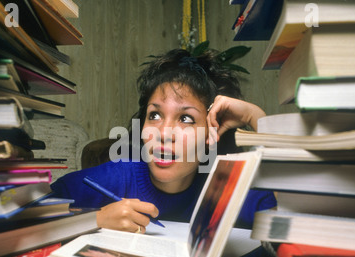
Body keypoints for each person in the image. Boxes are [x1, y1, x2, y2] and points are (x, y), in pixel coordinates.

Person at [50, 49, 276, 233]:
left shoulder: (225, 189)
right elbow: (25, 215)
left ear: (211, 134)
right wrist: (94, 219)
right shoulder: (116, 177)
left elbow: (296, 219)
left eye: (186, 118)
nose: (164, 133)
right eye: (154, 115)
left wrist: (254, 116)